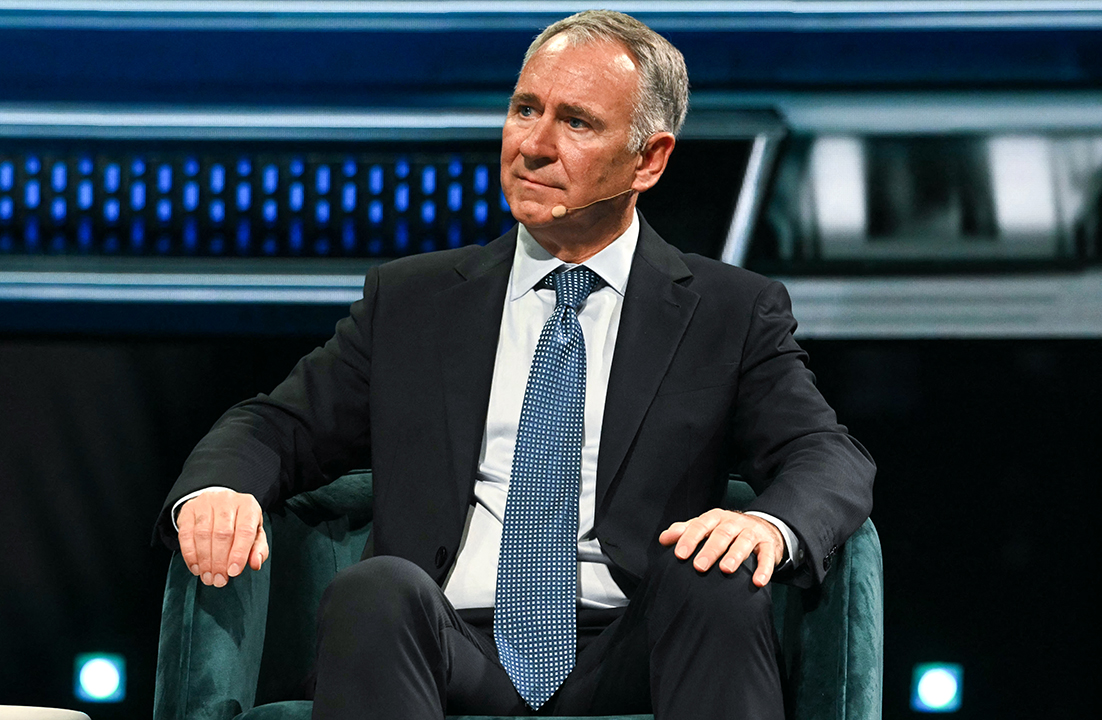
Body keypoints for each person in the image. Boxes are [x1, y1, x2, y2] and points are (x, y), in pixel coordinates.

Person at [155, 10, 875, 720]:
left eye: (577, 122)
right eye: (525, 109)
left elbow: (826, 454)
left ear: (648, 160)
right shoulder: (412, 302)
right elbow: (275, 425)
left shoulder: (727, 311)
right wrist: (220, 488)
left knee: (715, 580)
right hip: (444, 647)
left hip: (640, 649)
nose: (533, 145)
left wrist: (768, 525)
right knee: (375, 591)